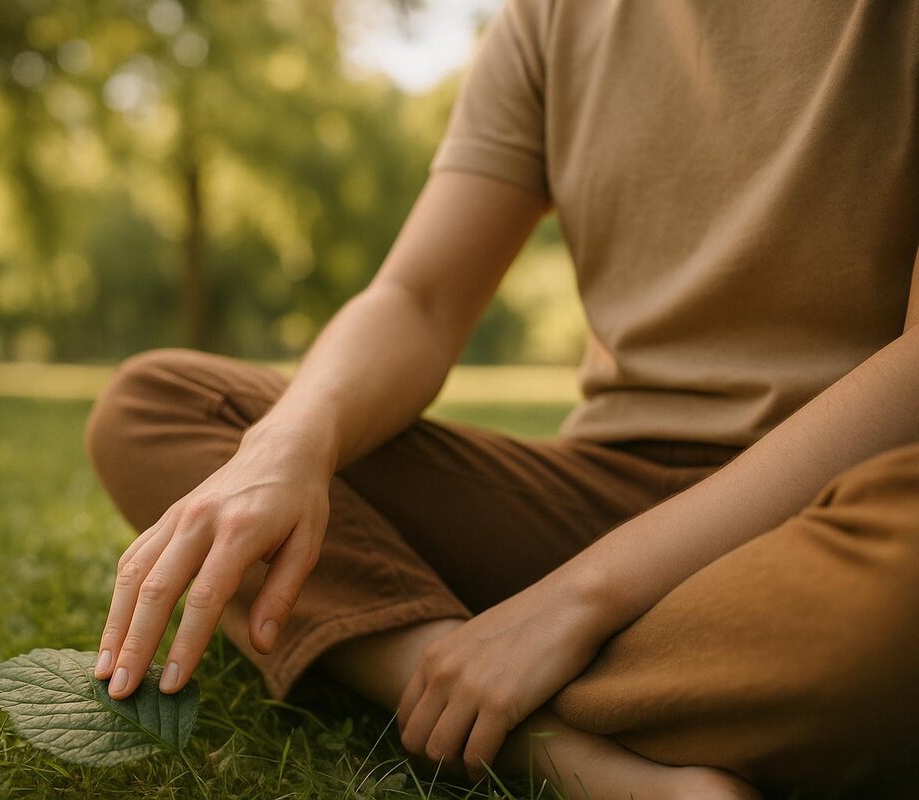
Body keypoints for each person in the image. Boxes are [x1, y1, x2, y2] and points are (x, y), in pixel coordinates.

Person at [84, 2, 919, 797]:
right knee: (159, 404)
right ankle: (534, 731)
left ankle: (462, 672)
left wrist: (574, 602)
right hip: (596, 495)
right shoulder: (552, 13)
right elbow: (420, 299)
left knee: (895, 609)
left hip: (839, 499)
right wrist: (287, 445)